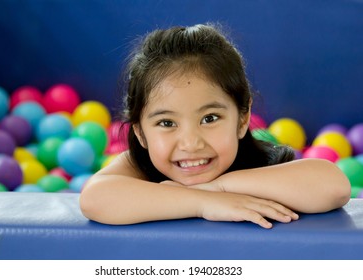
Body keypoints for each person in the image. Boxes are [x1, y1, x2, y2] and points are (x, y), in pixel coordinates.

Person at [80, 23, 351, 229]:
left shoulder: (260, 163)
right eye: (166, 123)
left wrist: (220, 188)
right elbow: (94, 198)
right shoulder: (140, 166)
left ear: (242, 119)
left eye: (209, 118)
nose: (190, 143)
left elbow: (334, 186)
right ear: (140, 133)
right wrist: (202, 203)